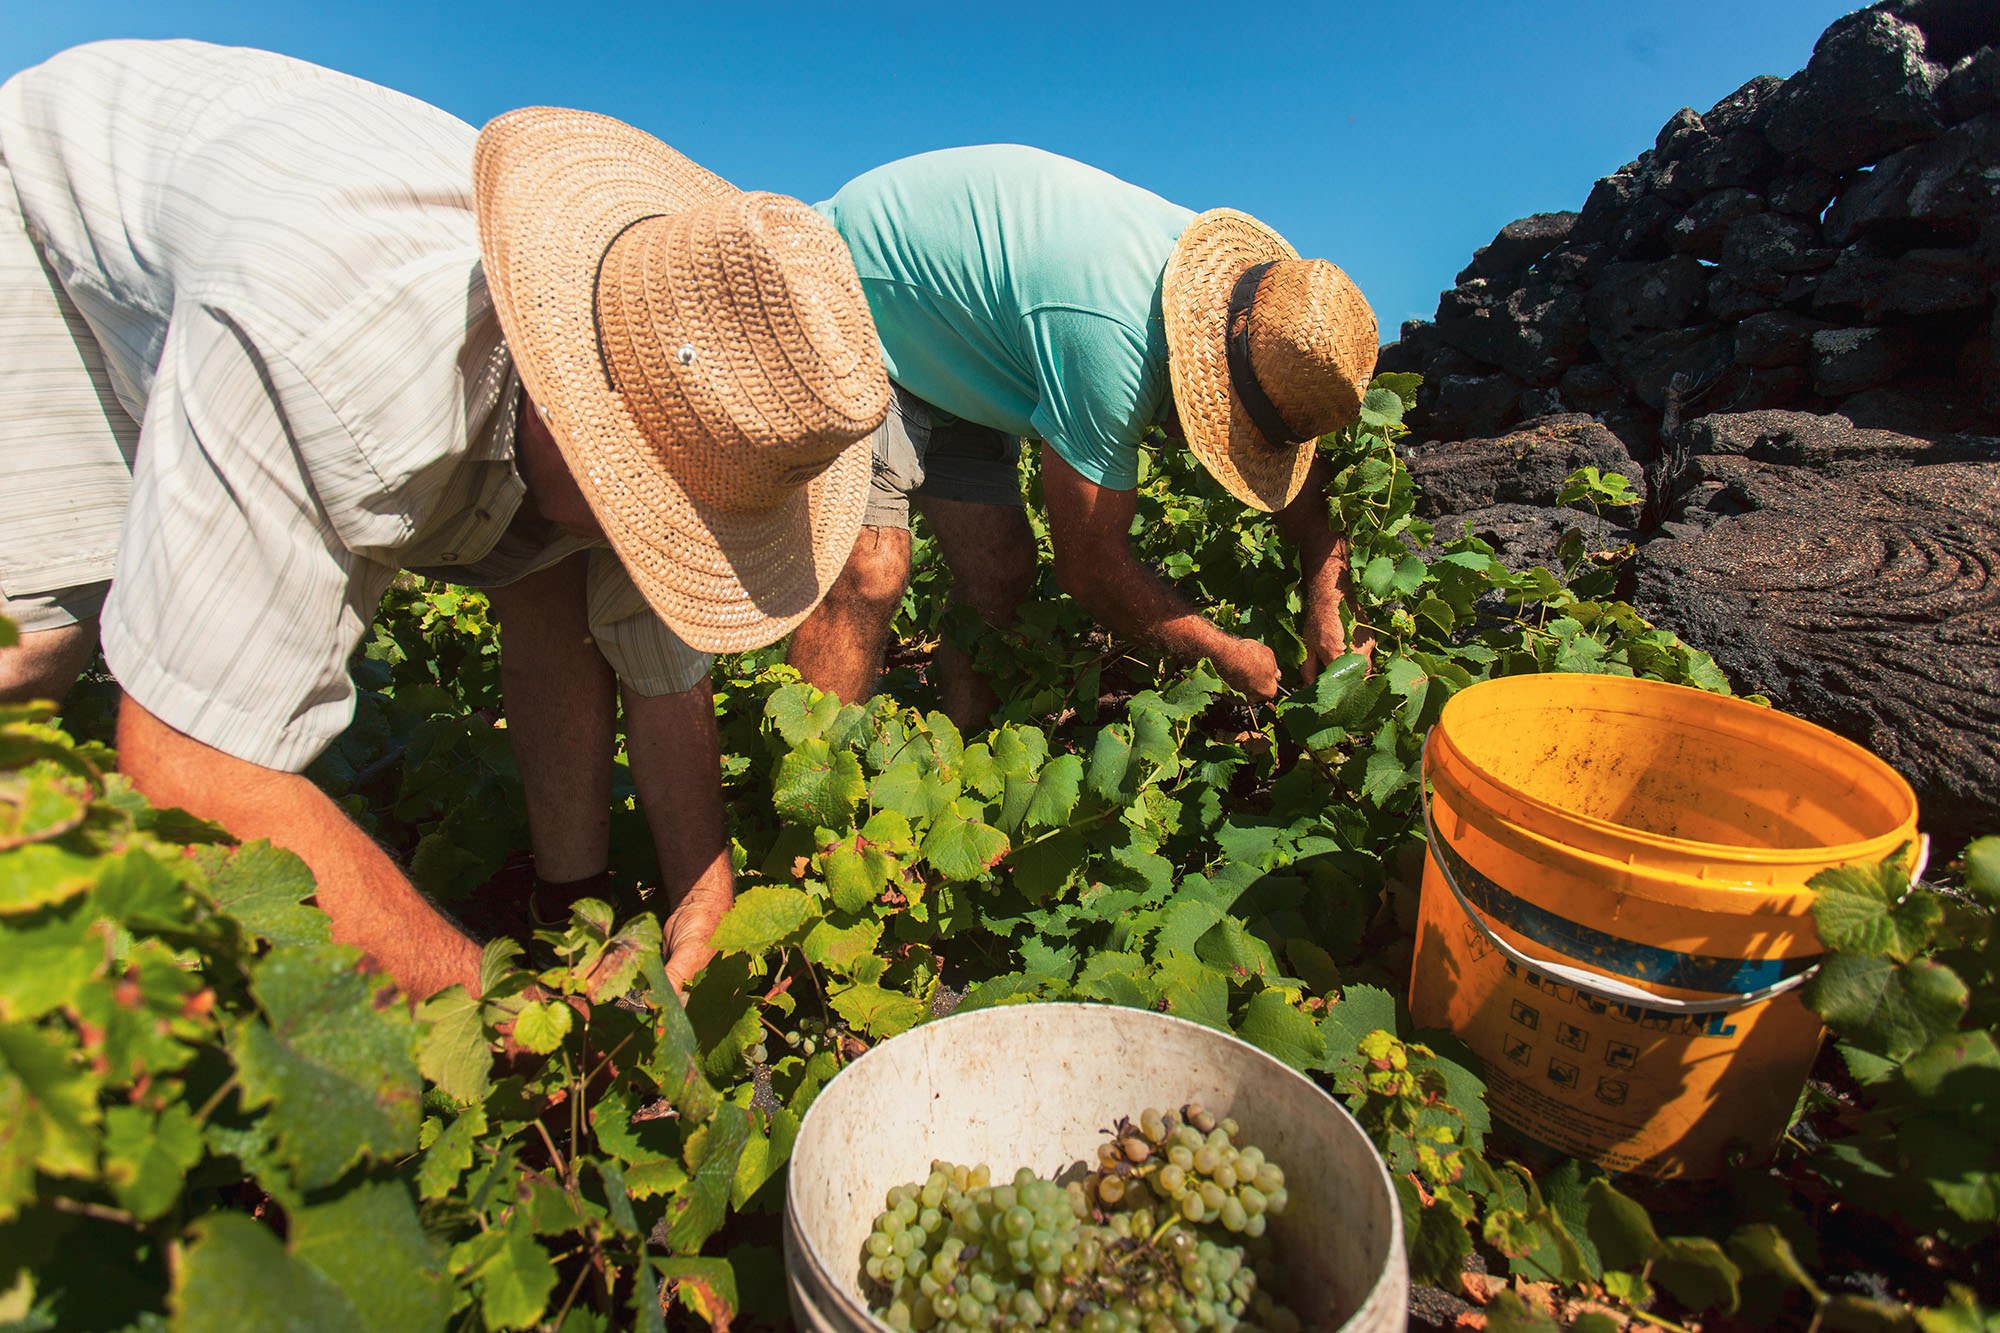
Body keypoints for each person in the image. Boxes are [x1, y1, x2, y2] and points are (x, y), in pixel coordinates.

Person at [0, 40, 889, 998]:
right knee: (34, 649)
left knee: (544, 564)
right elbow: (189, 764)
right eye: (659, 506)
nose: (665, 536)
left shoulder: (655, 356)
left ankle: (565, 897)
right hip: (60, 214)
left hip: (269, 226)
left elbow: (655, 664)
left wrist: (702, 890)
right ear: (573, 410)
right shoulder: (333, 362)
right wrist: (487, 1004)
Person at [788, 146, 1379, 726]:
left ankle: (952, 756)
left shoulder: (1267, 330)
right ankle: (821, 803)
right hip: (844, 292)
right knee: (869, 567)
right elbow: (1089, 568)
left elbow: (1305, 479)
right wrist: (1224, 653)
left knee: (1000, 568)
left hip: (961, 339)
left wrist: (1328, 597)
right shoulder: (1113, 346)